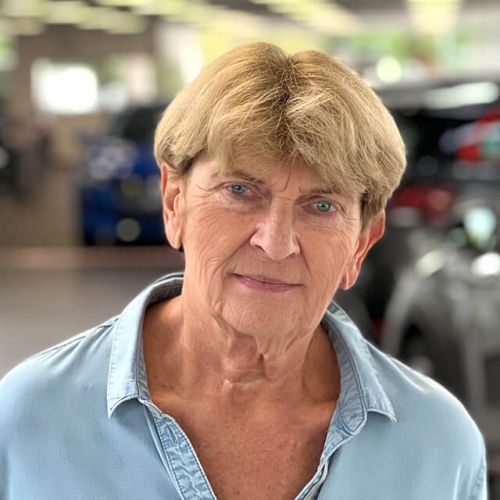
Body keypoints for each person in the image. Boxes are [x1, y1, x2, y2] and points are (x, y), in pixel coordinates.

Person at [0, 42, 486, 500]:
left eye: (321, 205)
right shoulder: (29, 421)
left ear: (361, 243)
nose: (275, 243)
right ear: (173, 203)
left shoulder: (437, 446)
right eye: (240, 191)